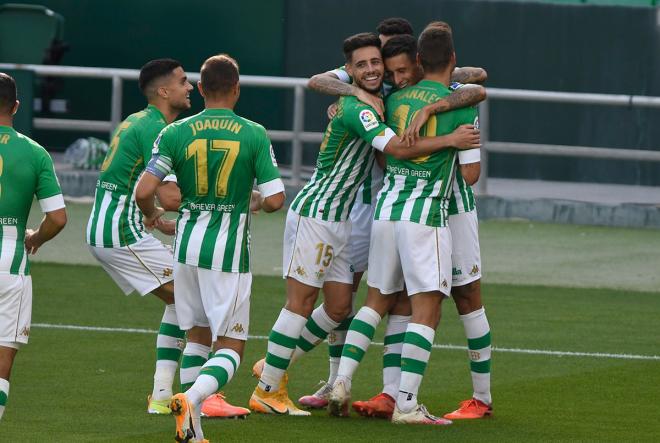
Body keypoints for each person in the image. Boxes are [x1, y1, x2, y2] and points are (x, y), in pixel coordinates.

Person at [249, 32, 479, 417]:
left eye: (377, 63)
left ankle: (282, 365)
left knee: (339, 307)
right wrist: (452, 139)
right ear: (349, 71)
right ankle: (268, 386)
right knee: (301, 303)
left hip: (341, 217)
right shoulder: (359, 107)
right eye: (363, 65)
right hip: (317, 213)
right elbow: (399, 149)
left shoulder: (383, 94)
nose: (373, 70)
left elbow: (475, 80)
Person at [329, 23, 480, 425]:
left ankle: (341, 380)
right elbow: (470, 176)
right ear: (451, 59)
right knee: (426, 310)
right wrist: (448, 143)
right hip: (424, 217)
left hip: (386, 211)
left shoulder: (393, 99)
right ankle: (408, 404)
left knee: (375, 301)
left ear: (416, 61)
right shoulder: (459, 103)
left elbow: (385, 154)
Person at [136, 53, 286, 443]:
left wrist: (152, 216)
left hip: (185, 250)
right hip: (228, 255)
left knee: (198, 336)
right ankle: (192, 397)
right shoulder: (253, 132)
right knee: (232, 346)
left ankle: (193, 428)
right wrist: (249, 199)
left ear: (201, 89)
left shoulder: (175, 132)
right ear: (237, 89)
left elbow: (145, 191)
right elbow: (275, 200)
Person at [86, 59, 247, 418]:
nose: (189, 87)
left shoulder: (138, 120)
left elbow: (148, 192)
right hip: (121, 231)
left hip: (109, 226)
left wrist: (153, 215)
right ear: (163, 91)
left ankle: (163, 394)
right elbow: (171, 197)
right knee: (194, 305)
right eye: (182, 81)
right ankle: (200, 397)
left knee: (180, 302)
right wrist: (214, 201)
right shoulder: (158, 128)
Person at [0, 72, 67, 421]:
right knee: (1, 364)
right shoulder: (35, 153)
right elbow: (57, 217)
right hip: (10, 263)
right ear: (16, 106)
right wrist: (34, 238)